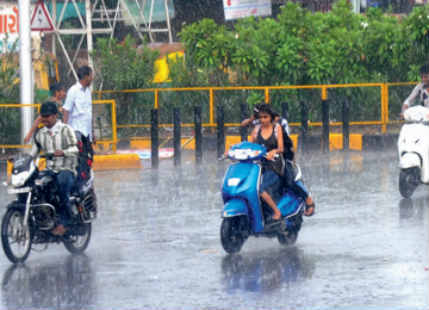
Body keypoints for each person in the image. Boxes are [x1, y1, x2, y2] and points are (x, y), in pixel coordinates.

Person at [30, 101, 79, 236]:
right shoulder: (40, 133)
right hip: (50, 170)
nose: (44, 119)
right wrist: (24, 160)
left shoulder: (65, 129)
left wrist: (63, 152)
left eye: (47, 116)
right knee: (35, 186)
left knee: (62, 184)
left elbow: (75, 148)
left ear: (55, 116)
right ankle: (42, 219)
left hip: (66, 168)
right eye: (43, 116)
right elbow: (33, 152)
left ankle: (66, 221)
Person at [249, 104, 284, 221]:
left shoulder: (276, 128)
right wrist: (232, 151)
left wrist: (273, 151)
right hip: (259, 166)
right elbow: (249, 146)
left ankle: (277, 211)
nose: (263, 120)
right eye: (261, 118)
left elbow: (281, 148)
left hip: (273, 165)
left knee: (260, 189)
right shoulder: (256, 129)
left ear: (271, 117)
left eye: (266, 117)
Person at [63, 66, 95, 144]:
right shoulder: (73, 90)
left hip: (87, 133)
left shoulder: (88, 91)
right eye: (91, 76)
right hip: (76, 132)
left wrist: (92, 132)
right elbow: (66, 110)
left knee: (88, 155)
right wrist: (64, 133)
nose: (92, 78)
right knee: (78, 155)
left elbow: (89, 112)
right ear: (86, 77)